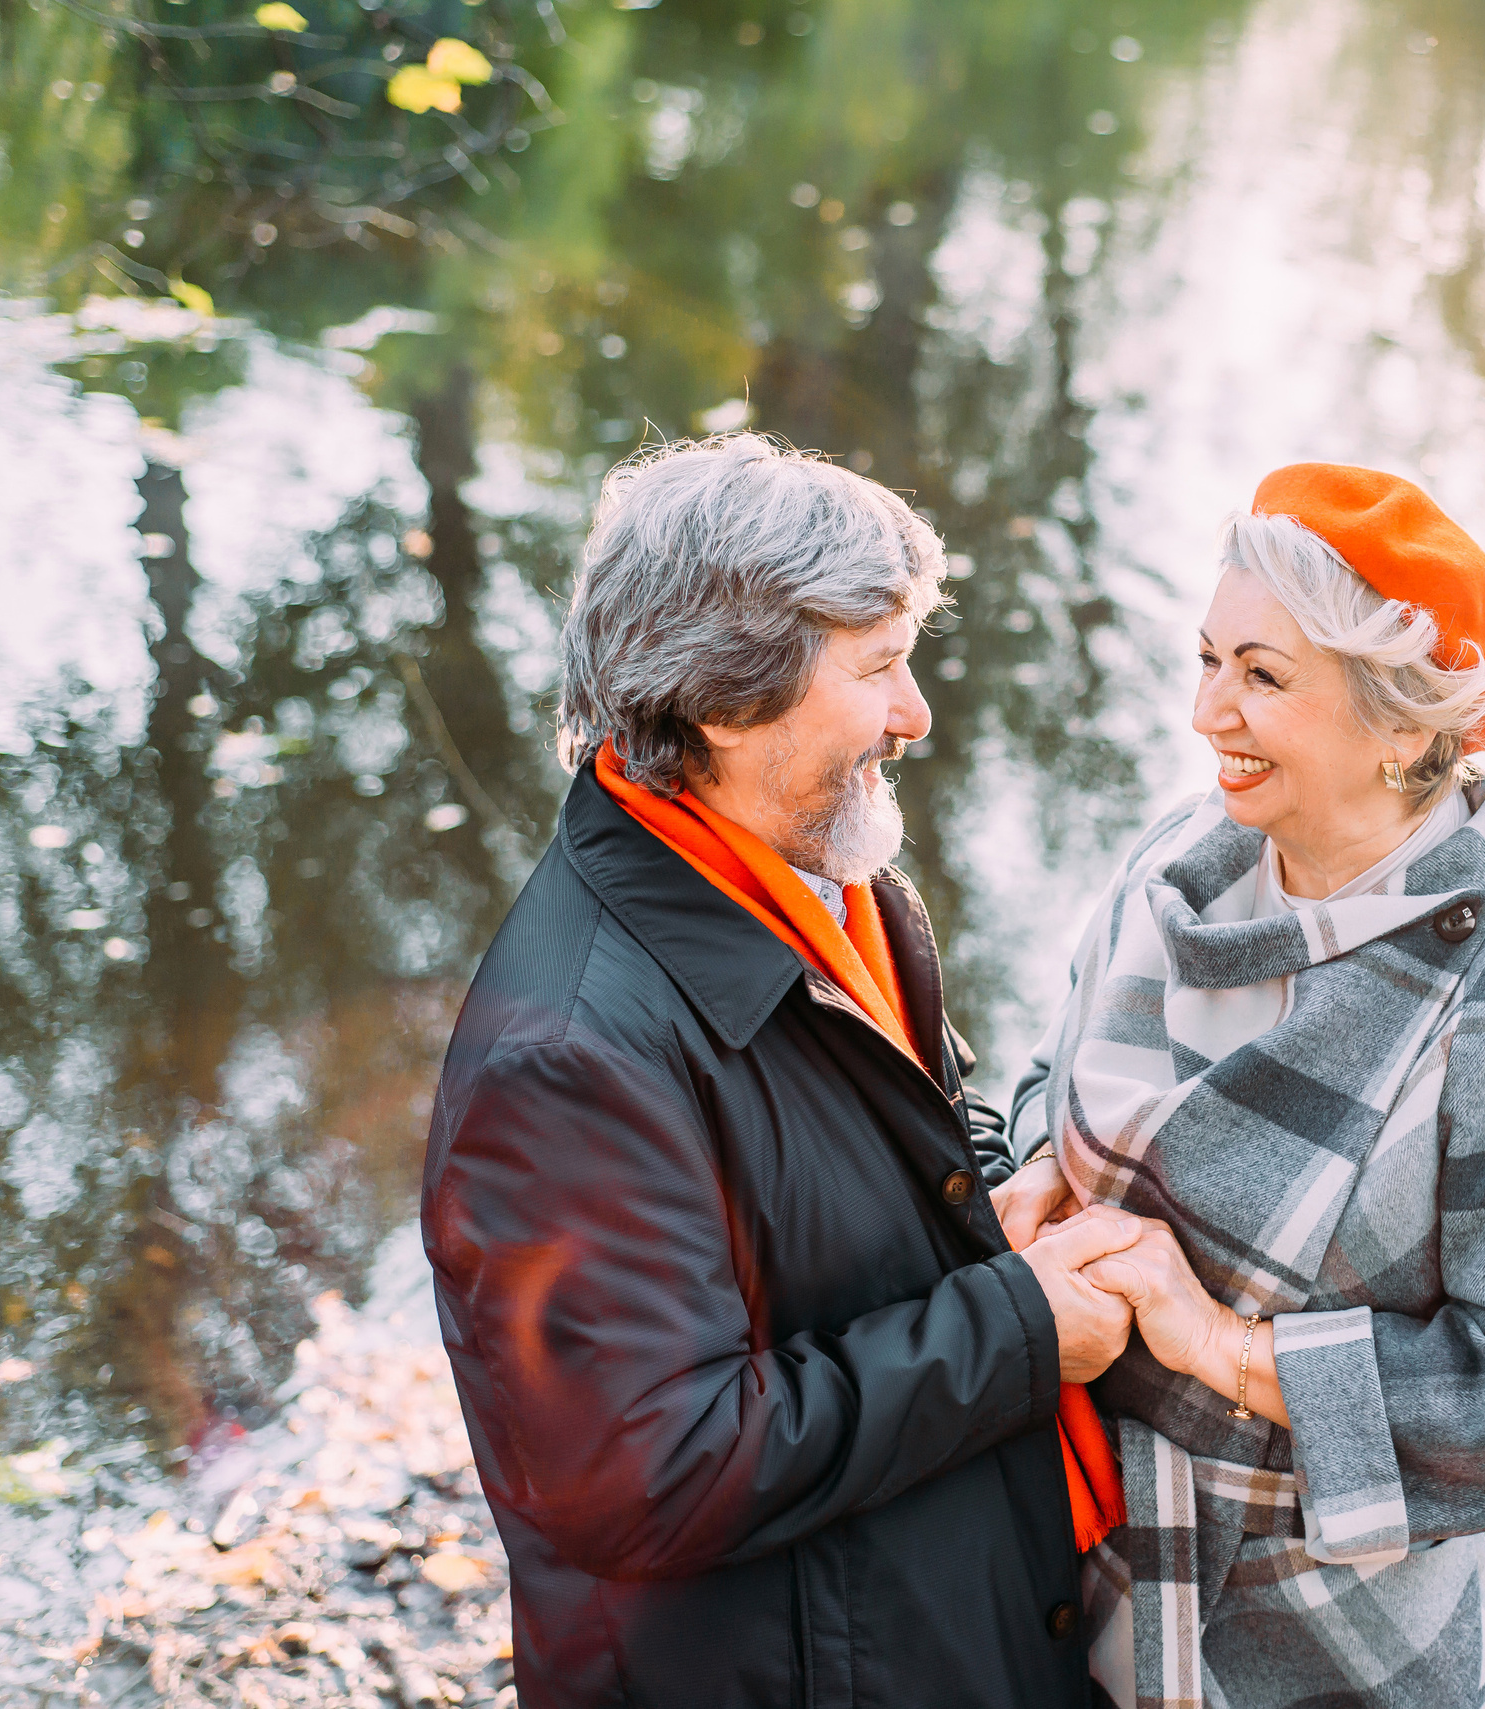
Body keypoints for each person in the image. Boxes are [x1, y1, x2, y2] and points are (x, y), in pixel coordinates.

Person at [421, 435, 1140, 1709]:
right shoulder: (566, 1063)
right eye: (877, 667)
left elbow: (882, 1152)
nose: (916, 711)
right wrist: (1024, 1329)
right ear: (723, 696)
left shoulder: (818, 886)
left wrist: (1003, 1185)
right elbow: (653, 1470)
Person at [1006, 464, 1485, 1709]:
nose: (1208, 711)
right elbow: (1054, 1071)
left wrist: (1214, 1340)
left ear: (1404, 725)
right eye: (1206, 658)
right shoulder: (1176, 860)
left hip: (1329, 1639)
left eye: (1263, 675)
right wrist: (1043, 1174)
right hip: (1066, 1549)